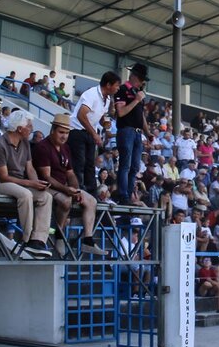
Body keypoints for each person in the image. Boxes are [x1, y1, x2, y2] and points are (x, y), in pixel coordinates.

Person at [32, 113, 108, 256]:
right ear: (52, 130)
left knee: (91, 200)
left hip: (62, 186)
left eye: (67, 133)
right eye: (61, 132)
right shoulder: (43, 147)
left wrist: (76, 189)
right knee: (66, 201)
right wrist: (67, 190)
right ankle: (59, 235)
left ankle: (88, 240)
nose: (64, 136)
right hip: (46, 187)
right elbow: (46, 177)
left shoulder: (66, 148)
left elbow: (71, 174)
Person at [0, 110, 54, 258]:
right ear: (19, 128)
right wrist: (30, 183)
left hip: (19, 182)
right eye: (29, 126)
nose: (31, 129)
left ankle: (38, 239)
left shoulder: (25, 143)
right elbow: (3, 176)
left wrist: (37, 183)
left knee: (46, 196)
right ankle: (27, 237)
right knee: (26, 194)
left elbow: (29, 168)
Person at [68, 71, 121, 192]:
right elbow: (81, 115)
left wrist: (104, 122)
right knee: (79, 162)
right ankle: (78, 190)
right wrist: (94, 134)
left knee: (90, 164)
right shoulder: (91, 94)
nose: (118, 88)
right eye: (116, 85)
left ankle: (91, 191)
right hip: (77, 130)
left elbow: (100, 116)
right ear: (108, 85)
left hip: (89, 131)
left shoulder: (107, 99)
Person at [114, 63, 149, 205]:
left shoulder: (138, 93)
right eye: (141, 79)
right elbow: (120, 112)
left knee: (135, 166)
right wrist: (136, 100)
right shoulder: (122, 90)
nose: (142, 82)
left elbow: (141, 116)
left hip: (137, 132)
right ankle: (123, 195)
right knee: (125, 164)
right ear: (134, 76)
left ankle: (128, 194)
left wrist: (148, 133)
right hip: (126, 130)